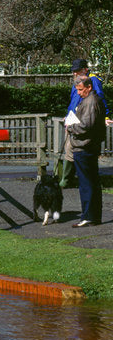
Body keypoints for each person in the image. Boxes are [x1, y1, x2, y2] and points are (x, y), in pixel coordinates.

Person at [57, 59, 110, 188]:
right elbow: (74, 101)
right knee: (68, 148)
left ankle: (66, 180)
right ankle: (68, 179)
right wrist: (68, 115)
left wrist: (105, 116)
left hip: (82, 120)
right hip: (72, 118)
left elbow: (100, 99)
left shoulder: (93, 81)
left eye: (78, 71)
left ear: (85, 69)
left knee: (72, 148)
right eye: (74, 71)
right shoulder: (78, 82)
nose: (75, 74)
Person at [65, 74, 105, 227]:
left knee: (86, 183)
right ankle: (94, 216)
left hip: (84, 147)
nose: (79, 93)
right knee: (93, 182)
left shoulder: (90, 102)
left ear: (89, 87)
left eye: (81, 90)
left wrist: (71, 127)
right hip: (89, 147)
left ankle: (88, 216)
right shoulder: (92, 100)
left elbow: (86, 125)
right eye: (77, 90)